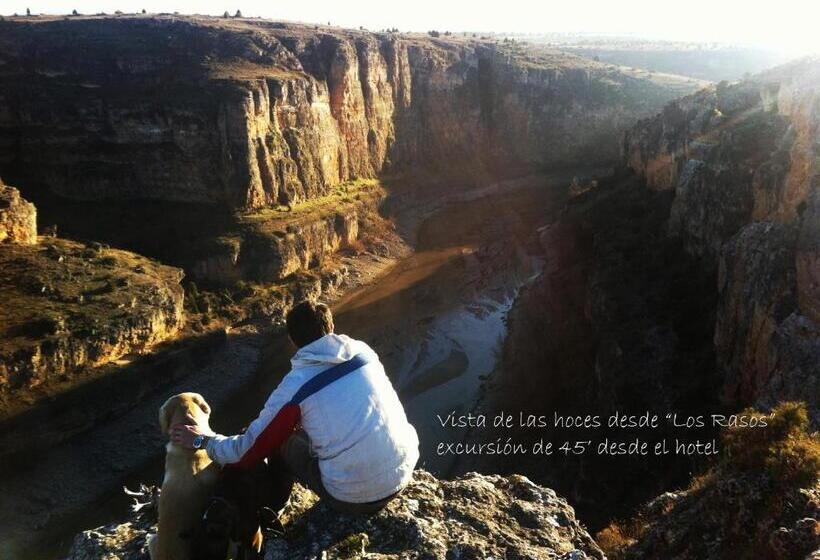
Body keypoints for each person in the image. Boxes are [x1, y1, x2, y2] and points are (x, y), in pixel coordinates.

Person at [170, 300, 419, 514]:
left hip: (353, 498)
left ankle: (273, 508)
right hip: (403, 471)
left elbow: (248, 451)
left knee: (281, 441)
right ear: (330, 326)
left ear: (293, 340)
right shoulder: (364, 353)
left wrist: (202, 441)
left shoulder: (296, 387)